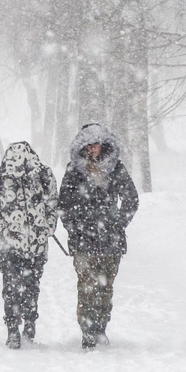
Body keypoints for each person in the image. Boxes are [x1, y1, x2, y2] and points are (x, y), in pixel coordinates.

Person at [58, 122, 139, 349]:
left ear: (104, 145)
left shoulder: (116, 169)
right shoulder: (74, 171)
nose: (93, 148)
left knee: (105, 287)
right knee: (87, 286)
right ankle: (88, 331)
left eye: (97, 144)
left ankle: (101, 327)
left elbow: (131, 198)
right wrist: (75, 228)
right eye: (89, 145)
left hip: (111, 241)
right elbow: (64, 204)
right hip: (84, 240)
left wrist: (118, 223)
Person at [0, 141, 58, 349]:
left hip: (37, 246)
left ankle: (30, 323)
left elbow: (52, 203)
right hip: (9, 247)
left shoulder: (43, 175)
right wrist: (3, 230)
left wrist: (48, 227)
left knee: (32, 287)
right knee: (11, 287)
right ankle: (13, 329)